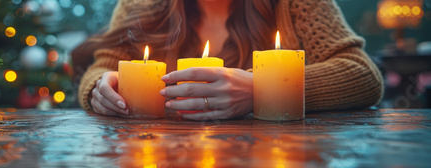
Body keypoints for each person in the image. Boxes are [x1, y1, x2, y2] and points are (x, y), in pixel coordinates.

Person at [72, 0, 383, 120]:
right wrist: (98, 89)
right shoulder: (141, 5)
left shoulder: (298, 4)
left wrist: (262, 90)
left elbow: (362, 73)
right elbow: (104, 67)